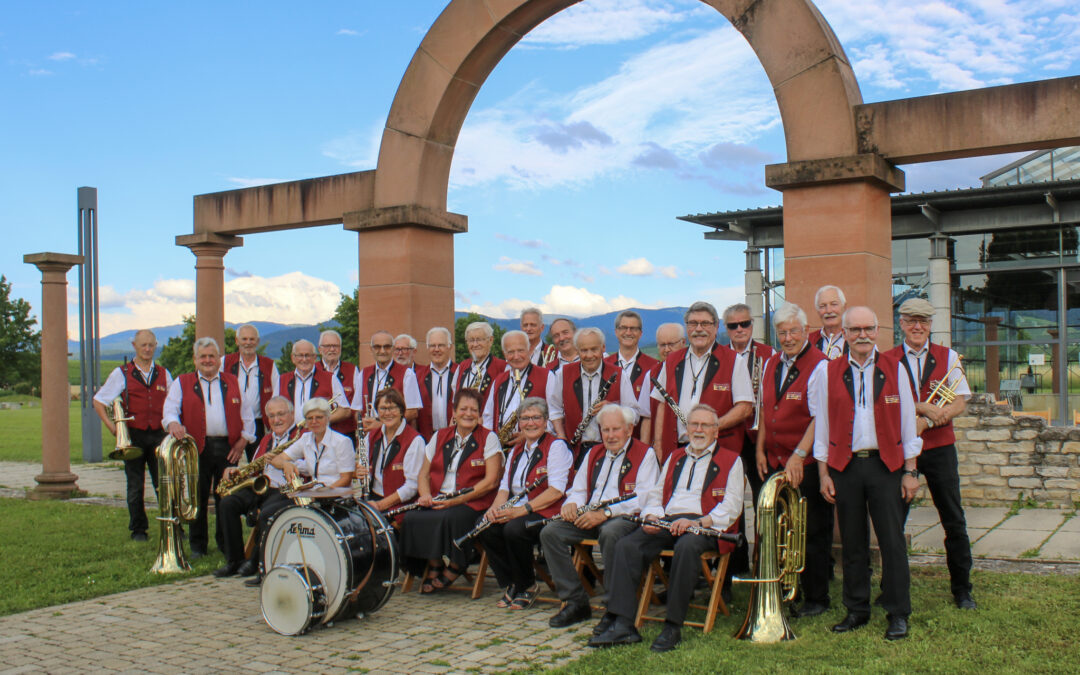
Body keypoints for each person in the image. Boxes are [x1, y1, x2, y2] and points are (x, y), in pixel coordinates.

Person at [588, 404, 744, 653]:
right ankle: (623, 622)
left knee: (687, 547)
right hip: (668, 520)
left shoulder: (731, 461)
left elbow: (733, 506)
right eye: (694, 424)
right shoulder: (675, 456)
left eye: (705, 425)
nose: (699, 430)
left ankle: (673, 625)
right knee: (627, 545)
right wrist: (652, 516)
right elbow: (656, 494)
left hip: (705, 525)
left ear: (716, 431)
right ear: (687, 428)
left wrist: (697, 523)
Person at [813, 306, 923, 641]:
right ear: (843, 333)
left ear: (878, 331)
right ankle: (857, 609)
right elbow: (822, 426)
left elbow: (908, 423)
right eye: (855, 329)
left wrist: (910, 471)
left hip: (886, 466)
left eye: (869, 328)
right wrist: (823, 474)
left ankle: (897, 611)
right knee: (852, 542)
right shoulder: (827, 371)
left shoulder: (896, 368)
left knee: (891, 542)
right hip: (844, 466)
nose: (863, 335)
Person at [888, 298, 976, 610]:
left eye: (923, 321)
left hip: (939, 448)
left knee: (953, 518)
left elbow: (960, 401)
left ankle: (962, 589)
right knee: (893, 521)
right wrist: (920, 407)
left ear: (930, 325)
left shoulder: (948, 356)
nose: (917, 327)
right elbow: (884, 402)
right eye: (911, 320)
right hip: (899, 451)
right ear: (901, 323)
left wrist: (928, 420)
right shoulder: (887, 359)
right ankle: (891, 588)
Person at [539, 404, 660, 628]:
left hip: (624, 517)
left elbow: (644, 497)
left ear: (629, 429)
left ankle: (614, 607)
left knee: (610, 533)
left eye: (616, 429)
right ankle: (575, 601)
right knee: (551, 533)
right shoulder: (594, 452)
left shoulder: (646, 454)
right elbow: (578, 490)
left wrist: (605, 513)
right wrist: (571, 504)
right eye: (606, 430)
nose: (611, 435)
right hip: (591, 514)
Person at [753, 303, 831, 617]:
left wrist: (799, 455)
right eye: (782, 332)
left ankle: (816, 598)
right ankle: (785, 593)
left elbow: (820, 417)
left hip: (804, 463)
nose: (788, 337)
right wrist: (759, 449)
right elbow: (764, 410)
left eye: (793, 331)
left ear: (805, 330)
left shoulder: (821, 365)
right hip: (773, 459)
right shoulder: (771, 362)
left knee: (810, 533)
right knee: (778, 532)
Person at [402, 388, 503, 593]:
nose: (468, 414)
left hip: (473, 502)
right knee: (412, 517)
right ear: (454, 413)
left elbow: (491, 481)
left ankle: (458, 564)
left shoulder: (489, 438)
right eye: (463, 409)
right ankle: (435, 562)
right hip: (439, 498)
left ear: (480, 413)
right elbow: (424, 474)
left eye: (473, 410)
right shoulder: (439, 436)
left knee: (450, 517)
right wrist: (425, 495)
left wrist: (455, 501)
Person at [162, 337, 255, 558]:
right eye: (202, 357)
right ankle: (198, 546)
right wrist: (173, 423)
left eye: (211, 356)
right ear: (195, 360)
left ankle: (226, 544)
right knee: (197, 497)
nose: (207, 360)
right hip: (196, 448)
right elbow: (169, 410)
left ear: (218, 359)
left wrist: (243, 442)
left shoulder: (233, 382)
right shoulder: (181, 382)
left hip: (228, 447)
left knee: (226, 498)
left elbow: (248, 416)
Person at [478, 397, 572, 610]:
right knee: (486, 527)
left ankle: (527, 585)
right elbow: (504, 488)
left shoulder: (556, 446)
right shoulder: (516, 451)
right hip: (519, 508)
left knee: (514, 529)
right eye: (525, 418)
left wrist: (521, 510)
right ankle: (512, 582)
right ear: (519, 423)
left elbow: (556, 491)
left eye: (536, 418)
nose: (530, 423)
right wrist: (494, 510)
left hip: (546, 510)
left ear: (546, 421)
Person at [258, 397, 355, 586]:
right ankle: (267, 567)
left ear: (327, 418)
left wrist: (325, 491)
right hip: (312, 496)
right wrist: (287, 463)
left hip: (334, 497)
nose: (314, 422)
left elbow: (346, 478)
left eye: (319, 417)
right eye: (310, 418)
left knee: (277, 513)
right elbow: (278, 458)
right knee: (268, 513)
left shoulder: (341, 442)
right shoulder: (305, 439)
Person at [92, 329, 172, 541]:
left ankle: (171, 525)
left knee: (163, 483)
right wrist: (113, 428)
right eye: (143, 345)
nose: (147, 349)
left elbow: (173, 404)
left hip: (158, 435)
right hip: (133, 436)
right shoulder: (121, 373)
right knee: (135, 485)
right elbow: (99, 401)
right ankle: (138, 529)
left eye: (151, 345)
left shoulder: (164, 373)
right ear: (134, 346)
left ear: (155, 346)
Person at [651, 302, 753, 462]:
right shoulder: (672, 361)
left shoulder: (735, 361)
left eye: (705, 323)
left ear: (716, 326)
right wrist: (658, 444)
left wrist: (712, 427)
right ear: (687, 328)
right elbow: (663, 405)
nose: (699, 329)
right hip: (678, 449)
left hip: (717, 450)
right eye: (693, 323)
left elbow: (745, 408)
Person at [213, 396, 298, 578]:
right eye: (272, 416)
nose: (276, 420)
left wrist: (282, 464)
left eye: (281, 414)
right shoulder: (267, 439)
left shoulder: (300, 437)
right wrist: (236, 472)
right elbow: (254, 468)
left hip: (286, 489)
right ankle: (235, 560)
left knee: (267, 511)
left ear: (292, 415)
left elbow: (306, 468)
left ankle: (257, 562)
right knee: (228, 503)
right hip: (262, 486)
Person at [549, 327, 647, 469]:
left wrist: (614, 409)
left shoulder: (618, 374)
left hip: (610, 449)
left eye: (594, 349)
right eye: (584, 350)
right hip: (574, 450)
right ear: (577, 350)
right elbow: (554, 409)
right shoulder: (562, 374)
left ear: (603, 348)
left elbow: (635, 414)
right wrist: (561, 436)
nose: (589, 355)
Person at [722, 303, 775, 505]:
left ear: (752, 325)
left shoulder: (768, 354)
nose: (739, 329)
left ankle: (763, 536)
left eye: (744, 324)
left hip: (757, 436)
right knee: (730, 494)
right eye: (733, 326)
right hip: (729, 434)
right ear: (726, 329)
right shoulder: (719, 356)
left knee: (762, 492)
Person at [356, 388, 425, 513]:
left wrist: (381, 505)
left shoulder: (415, 440)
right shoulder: (371, 436)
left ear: (401, 411)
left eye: (392, 408)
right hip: (373, 500)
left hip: (400, 507)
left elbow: (412, 486)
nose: (387, 413)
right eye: (383, 408)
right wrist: (359, 471)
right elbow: (364, 470)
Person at [484, 330, 555, 448]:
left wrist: (530, 434)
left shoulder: (548, 376)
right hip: (501, 449)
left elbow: (555, 416)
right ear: (504, 354)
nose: (516, 356)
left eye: (520, 350)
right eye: (511, 352)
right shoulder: (499, 380)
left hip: (535, 448)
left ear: (529, 350)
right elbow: (488, 417)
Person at [222, 324, 279, 461]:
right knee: (229, 467)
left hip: (259, 424)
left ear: (257, 342)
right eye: (244, 339)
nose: (248, 343)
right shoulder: (224, 362)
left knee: (258, 466)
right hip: (231, 423)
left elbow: (277, 396)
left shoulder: (269, 365)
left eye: (252, 339)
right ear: (237, 341)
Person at [605, 310, 659, 442]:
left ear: (640, 334)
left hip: (641, 438)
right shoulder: (604, 365)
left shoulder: (654, 367)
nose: (628, 332)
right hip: (609, 439)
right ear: (616, 332)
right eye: (623, 328)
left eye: (633, 328)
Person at [358, 330, 423, 432]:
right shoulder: (363, 373)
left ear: (393, 349)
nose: (382, 351)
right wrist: (364, 423)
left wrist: (381, 425)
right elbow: (357, 409)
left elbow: (412, 412)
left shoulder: (407, 374)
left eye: (387, 347)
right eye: (377, 347)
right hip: (370, 436)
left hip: (397, 436)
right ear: (371, 349)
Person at [279, 339, 348, 427]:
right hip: (291, 436)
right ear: (293, 358)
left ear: (315, 357)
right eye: (300, 355)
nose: (304, 359)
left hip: (320, 435)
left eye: (308, 355)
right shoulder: (281, 380)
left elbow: (345, 410)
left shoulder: (330, 378)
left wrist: (321, 421)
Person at [317, 329, 362, 445]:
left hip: (346, 433)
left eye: (336, 346)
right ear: (320, 349)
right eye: (328, 346)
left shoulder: (352, 370)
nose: (332, 349)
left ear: (340, 348)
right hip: (320, 434)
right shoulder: (313, 370)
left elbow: (358, 402)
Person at [415, 327, 457, 439]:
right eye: (432, 345)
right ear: (427, 348)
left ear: (450, 347)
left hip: (454, 437)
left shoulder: (461, 373)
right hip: (426, 439)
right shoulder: (417, 376)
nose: (436, 349)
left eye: (441, 345)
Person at [452, 322, 508, 400]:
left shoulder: (503, 368)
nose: (475, 344)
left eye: (479, 339)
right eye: (471, 340)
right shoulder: (461, 367)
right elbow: (454, 401)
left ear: (491, 340)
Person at [649, 323, 686, 438]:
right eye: (662, 345)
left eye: (671, 344)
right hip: (667, 440)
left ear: (683, 343)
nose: (666, 349)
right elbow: (647, 416)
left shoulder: (693, 368)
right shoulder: (651, 374)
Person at [809, 285, 848, 359]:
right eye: (822, 306)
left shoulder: (858, 338)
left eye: (834, 304)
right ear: (818, 311)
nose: (828, 310)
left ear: (844, 307)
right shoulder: (808, 342)